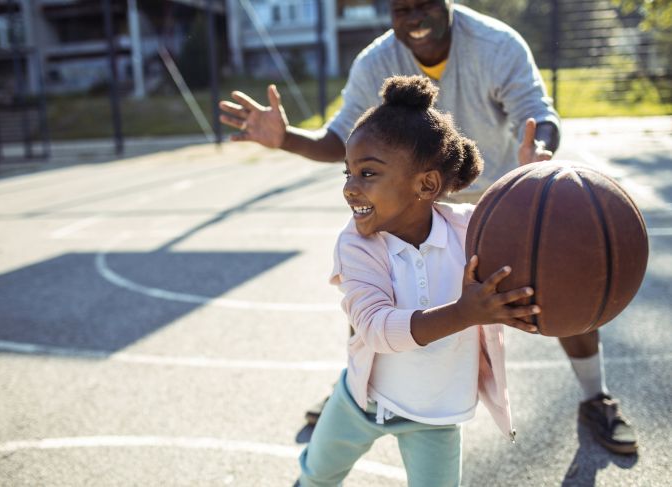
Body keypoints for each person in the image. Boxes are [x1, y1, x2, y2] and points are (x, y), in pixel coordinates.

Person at [219, 0, 637, 455]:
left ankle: (595, 396)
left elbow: (537, 112)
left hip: (494, 200)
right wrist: (286, 138)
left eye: (423, 6)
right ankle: (356, 390)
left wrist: (537, 151)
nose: (413, 18)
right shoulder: (375, 61)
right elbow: (339, 138)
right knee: (373, 291)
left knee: (557, 277)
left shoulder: (496, 44)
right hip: (404, 202)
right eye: (401, 10)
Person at [298, 74, 540, 487]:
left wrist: (534, 186)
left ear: (426, 184)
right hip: (363, 402)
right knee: (317, 476)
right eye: (348, 174)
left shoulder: (469, 231)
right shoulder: (356, 246)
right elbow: (375, 328)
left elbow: (525, 236)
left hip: (436, 415)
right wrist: (464, 313)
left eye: (367, 174)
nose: (351, 189)